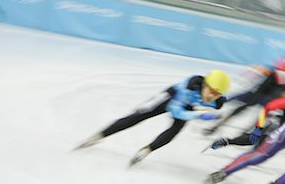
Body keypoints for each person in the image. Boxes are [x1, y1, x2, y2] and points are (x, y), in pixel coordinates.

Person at [75, 70, 230, 166]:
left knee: (174, 131)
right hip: (172, 97)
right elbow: (176, 111)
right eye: (211, 90)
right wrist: (199, 115)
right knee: (139, 115)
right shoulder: (188, 88)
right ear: (204, 84)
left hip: (188, 105)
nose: (212, 96)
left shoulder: (217, 102)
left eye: (217, 94)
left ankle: (147, 149)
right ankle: (99, 135)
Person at [203, 51, 285, 135]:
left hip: (280, 87)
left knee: (266, 110)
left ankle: (248, 133)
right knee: (248, 103)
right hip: (270, 83)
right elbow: (280, 83)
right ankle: (218, 125)